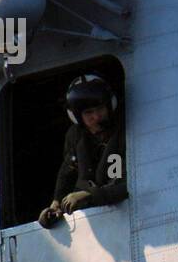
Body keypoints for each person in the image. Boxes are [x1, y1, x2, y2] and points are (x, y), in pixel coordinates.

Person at [38, 73, 127, 228]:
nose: (96, 116)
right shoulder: (76, 137)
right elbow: (68, 170)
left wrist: (88, 195)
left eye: (100, 109)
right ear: (78, 116)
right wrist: (56, 203)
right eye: (89, 113)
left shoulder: (120, 136)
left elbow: (119, 183)